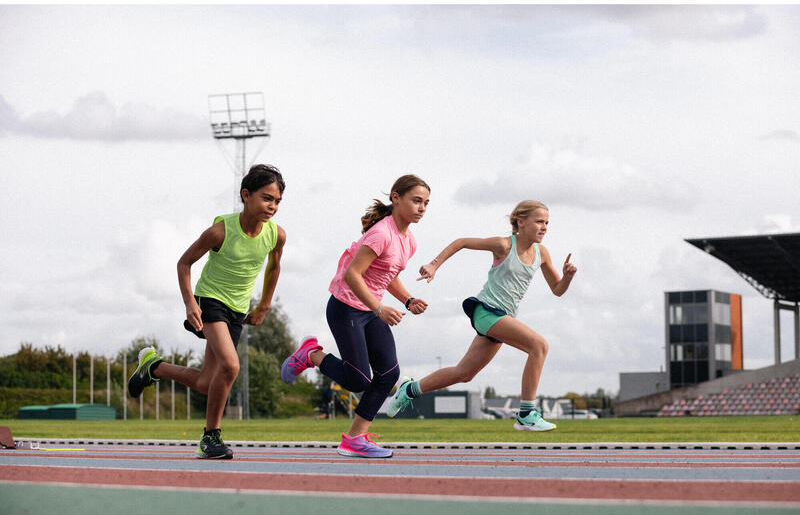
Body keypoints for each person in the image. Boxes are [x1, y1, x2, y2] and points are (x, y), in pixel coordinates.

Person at [127, 164, 287, 459]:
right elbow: (184, 263)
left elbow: (274, 266)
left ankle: (153, 367)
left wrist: (264, 305)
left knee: (205, 382)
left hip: (238, 309)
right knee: (231, 365)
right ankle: (210, 438)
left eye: (277, 201)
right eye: (266, 198)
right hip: (210, 299)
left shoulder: (276, 236)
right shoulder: (220, 231)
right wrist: (190, 303)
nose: (272, 207)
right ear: (246, 195)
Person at [386, 200, 576, 431]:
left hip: (503, 318)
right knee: (539, 345)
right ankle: (526, 413)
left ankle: (410, 389)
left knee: (464, 373)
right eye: (539, 221)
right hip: (486, 311)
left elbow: (557, 290)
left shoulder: (541, 253)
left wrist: (567, 277)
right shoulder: (504, 245)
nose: (544, 226)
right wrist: (435, 265)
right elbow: (462, 242)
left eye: (547, 222)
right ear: (521, 222)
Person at [281, 174, 430, 458]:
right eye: (416, 200)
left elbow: (387, 277)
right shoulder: (382, 233)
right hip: (346, 307)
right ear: (396, 198)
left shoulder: (408, 241)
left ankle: (354, 439)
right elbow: (352, 274)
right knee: (359, 379)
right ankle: (311, 354)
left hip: (370, 309)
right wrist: (379, 308)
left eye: (425, 203)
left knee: (388, 374)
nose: (421, 207)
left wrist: (408, 300)